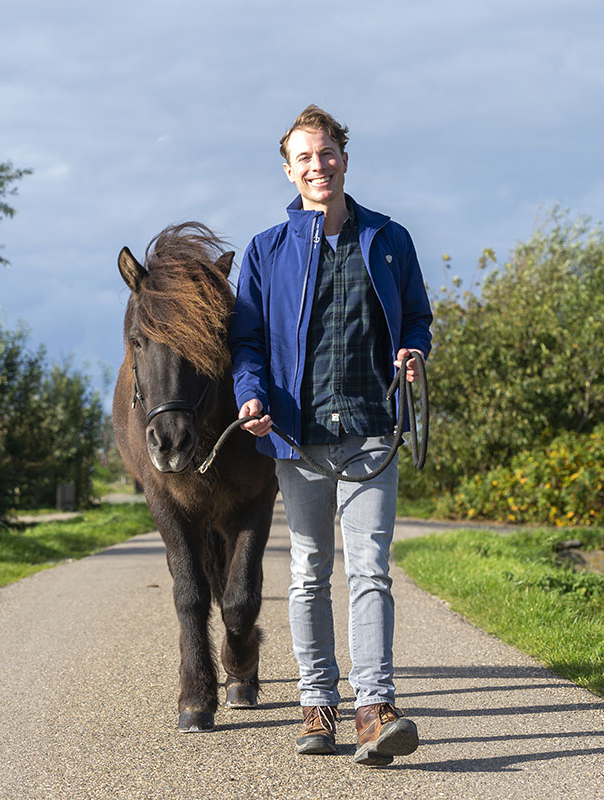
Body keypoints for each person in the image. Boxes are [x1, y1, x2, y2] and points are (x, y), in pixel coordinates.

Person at [229, 105, 432, 766]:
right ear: (290, 170)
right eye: (305, 158)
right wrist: (251, 395)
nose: (318, 166)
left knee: (371, 567)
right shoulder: (265, 251)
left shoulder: (390, 238)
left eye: (327, 153)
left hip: (372, 430)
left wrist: (412, 351)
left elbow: (418, 318)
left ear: (344, 157)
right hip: (300, 436)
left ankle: (374, 710)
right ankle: (318, 703)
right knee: (310, 570)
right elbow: (248, 344)